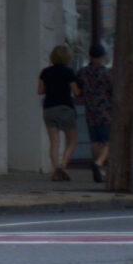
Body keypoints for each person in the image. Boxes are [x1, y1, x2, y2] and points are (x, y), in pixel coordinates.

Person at [39, 43, 81, 183]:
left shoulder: (45, 72)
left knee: (54, 141)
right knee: (72, 140)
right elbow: (76, 92)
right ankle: (63, 165)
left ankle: (55, 168)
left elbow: (40, 90)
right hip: (65, 108)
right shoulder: (69, 72)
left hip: (49, 108)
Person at [80, 43, 114, 184]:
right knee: (108, 142)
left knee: (95, 142)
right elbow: (112, 89)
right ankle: (99, 164)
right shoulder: (106, 72)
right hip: (105, 110)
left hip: (90, 110)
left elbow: (78, 89)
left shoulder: (83, 72)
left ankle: (98, 170)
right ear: (102, 56)